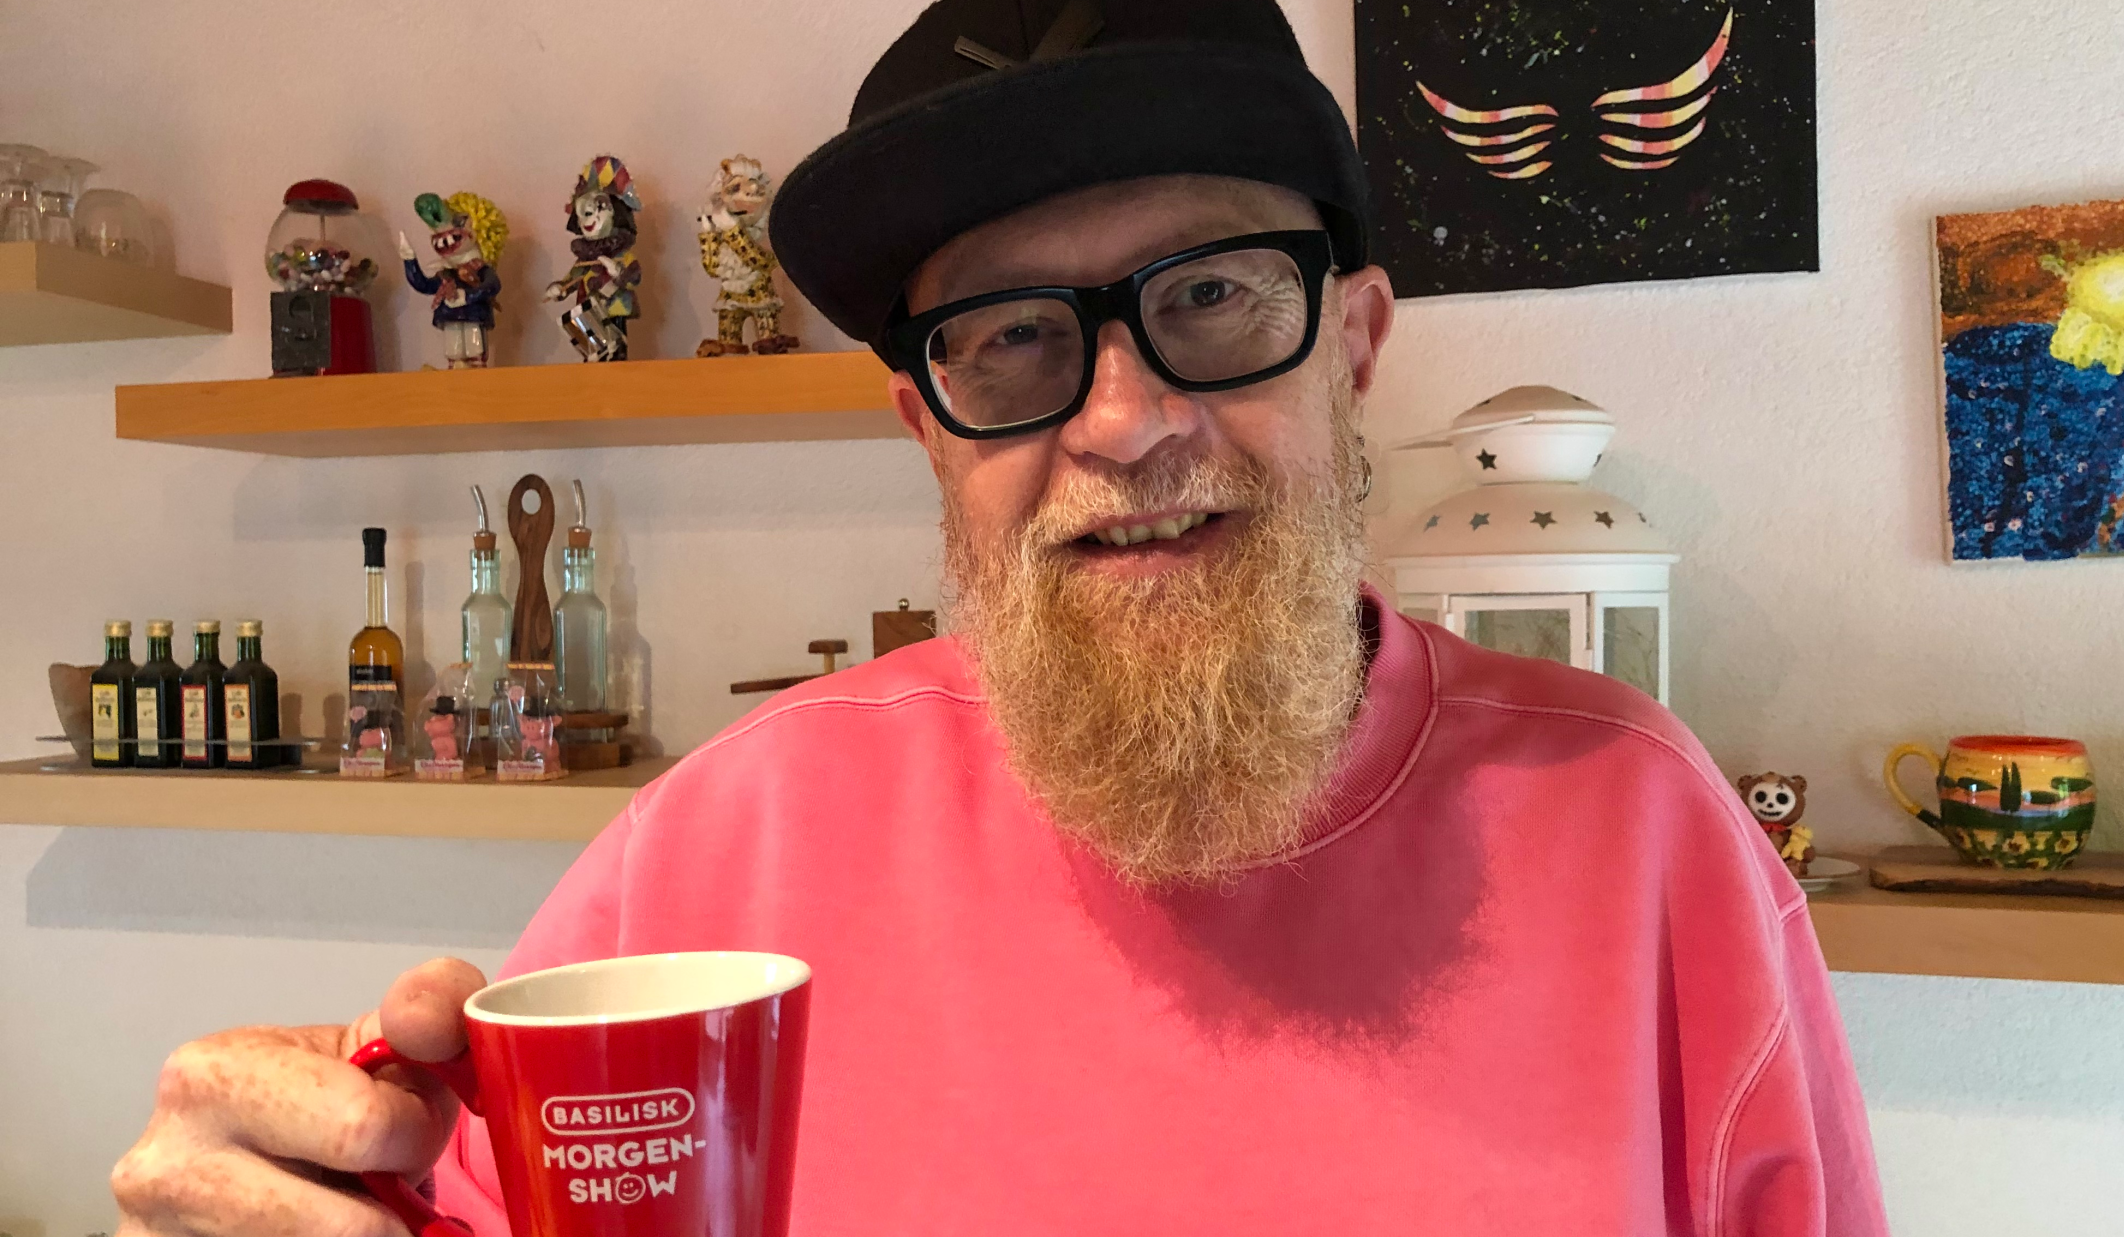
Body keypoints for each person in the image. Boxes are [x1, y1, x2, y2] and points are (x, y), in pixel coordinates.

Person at [110, 1, 1888, 1234]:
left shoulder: (1646, 836)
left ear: (1352, 345)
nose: (1123, 421)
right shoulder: (721, 851)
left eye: (1211, 297)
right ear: (926, 428)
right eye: (1015, 339)